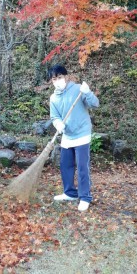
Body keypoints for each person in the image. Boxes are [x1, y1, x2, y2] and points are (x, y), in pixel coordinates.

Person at [48, 64, 99, 212]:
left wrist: (88, 92)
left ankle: (85, 197)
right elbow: (54, 116)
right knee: (65, 165)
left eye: (60, 77)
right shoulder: (53, 98)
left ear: (66, 77)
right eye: (54, 79)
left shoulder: (77, 89)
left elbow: (95, 104)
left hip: (82, 134)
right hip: (67, 136)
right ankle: (70, 193)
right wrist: (58, 124)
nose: (57, 81)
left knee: (82, 167)